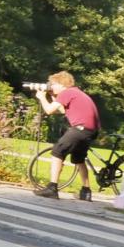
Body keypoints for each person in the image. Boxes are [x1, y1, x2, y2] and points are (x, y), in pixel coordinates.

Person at [32, 71, 101, 200]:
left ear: (61, 84)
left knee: (57, 151)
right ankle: (86, 191)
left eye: (52, 84)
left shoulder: (67, 92)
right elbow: (62, 110)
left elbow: (49, 110)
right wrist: (53, 97)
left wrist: (41, 97)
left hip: (80, 128)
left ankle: (52, 188)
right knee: (79, 159)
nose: (50, 87)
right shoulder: (76, 92)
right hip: (91, 130)